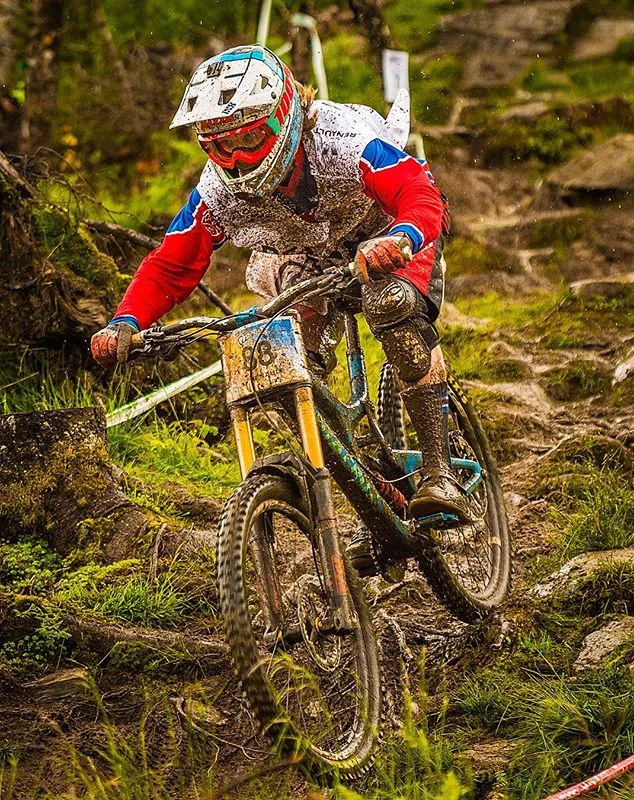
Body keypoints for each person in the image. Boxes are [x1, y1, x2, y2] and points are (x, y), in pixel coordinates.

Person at [91, 44, 471, 571]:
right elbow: (173, 262)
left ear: (284, 111)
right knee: (276, 369)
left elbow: (417, 193)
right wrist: (126, 320)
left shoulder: (343, 139)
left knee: (390, 304)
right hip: (306, 260)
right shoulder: (216, 190)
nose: (237, 158)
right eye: (218, 145)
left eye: (248, 136)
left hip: (387, 237)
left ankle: (438, 471)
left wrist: (402, 236)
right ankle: (379, 505)